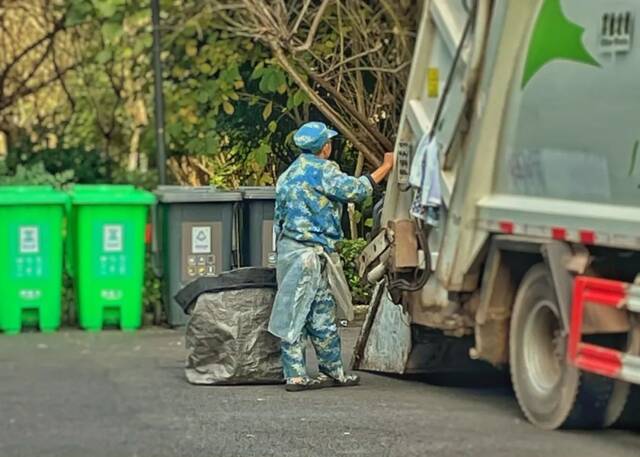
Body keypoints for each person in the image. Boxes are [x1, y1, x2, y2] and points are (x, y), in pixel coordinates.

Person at [268, 121, 394, 392]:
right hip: (314, 255)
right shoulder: (323, 171)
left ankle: (297, 374)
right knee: (321, 313)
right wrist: (386, 166)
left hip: (290, 253)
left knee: (294, 313)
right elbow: (357, 191)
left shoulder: (287, 175)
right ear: (324, 147)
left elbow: (278, 219)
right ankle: (332, 370)